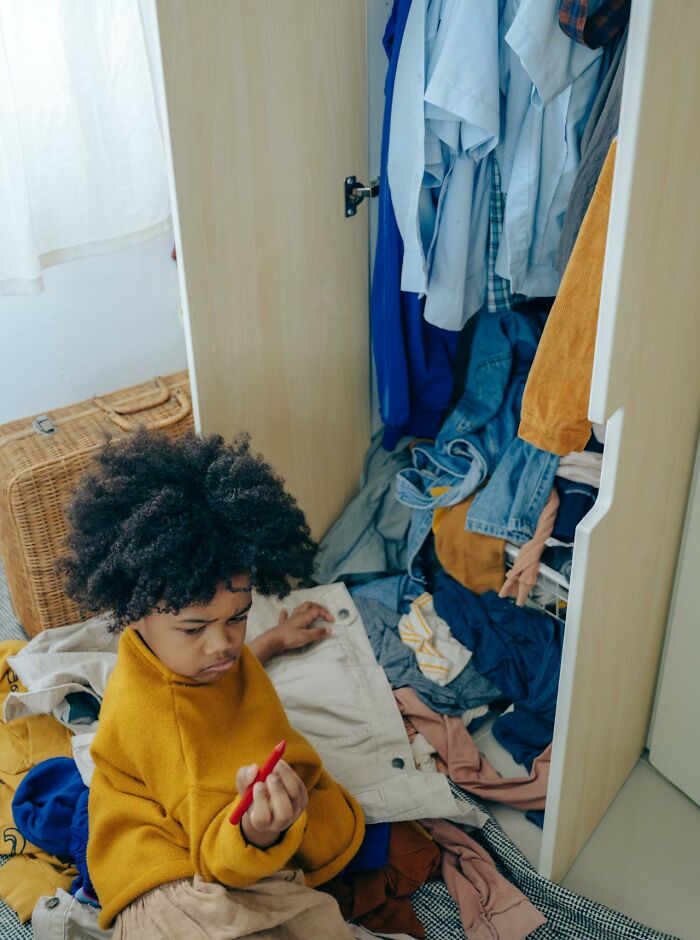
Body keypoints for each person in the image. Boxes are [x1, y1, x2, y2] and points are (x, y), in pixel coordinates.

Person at [58, 429, 364, 938]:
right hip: (171, 877)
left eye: (239, 617)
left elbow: (229, 664)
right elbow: (219, 862)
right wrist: (257, 831)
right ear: (130, 613)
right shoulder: (177, 737)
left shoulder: (177, 652)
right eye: (196, 628)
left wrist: (272, 640)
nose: (223, 645)